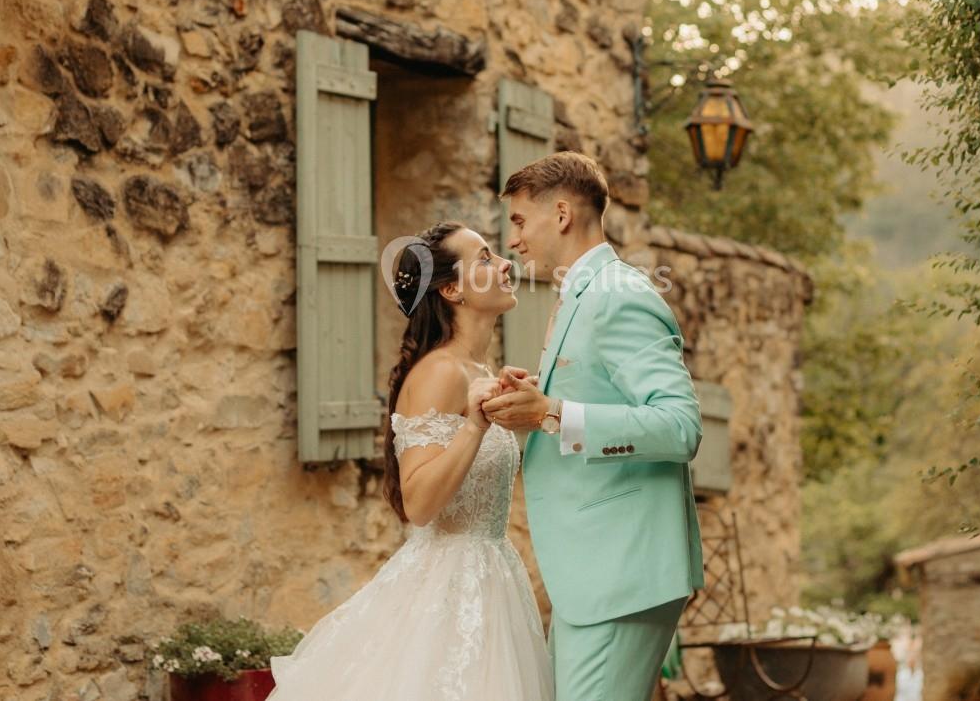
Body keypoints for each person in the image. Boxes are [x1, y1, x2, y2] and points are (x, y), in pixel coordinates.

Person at [264, 221, 554, 701]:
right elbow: (418, 503)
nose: (505, 264)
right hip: (448, 587)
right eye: (484, 258)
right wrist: (475, 426)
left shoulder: (477, 370)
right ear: (451, 289)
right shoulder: (439, 371)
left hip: (491, 576)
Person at [481, 151, 705, 701]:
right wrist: (538, 399)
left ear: (560, 214)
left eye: (518, 221)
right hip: (594, 574)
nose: (512, 240)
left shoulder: (618, 294)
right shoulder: (581, 294)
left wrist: (551, 413)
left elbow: (680, 426)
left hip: (619, 573)